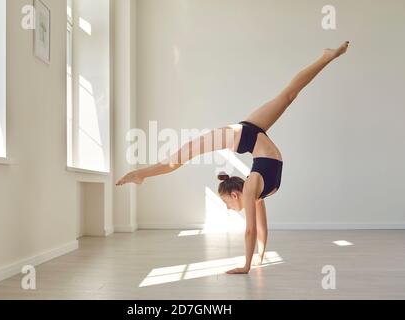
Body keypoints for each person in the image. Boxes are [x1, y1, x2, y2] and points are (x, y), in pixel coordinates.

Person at [116, 41, 350, 274]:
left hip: (240, 136)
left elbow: (251, 230)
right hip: (252, 134)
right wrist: (257, 257)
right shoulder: (256, 192)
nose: (228, 208)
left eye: (227, 203)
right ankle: (326, 57)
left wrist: (246, 265)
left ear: (236, 193)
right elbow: (260, 228)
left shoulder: (252, 189)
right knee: (288, 95)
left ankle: (141, 174)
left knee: (183, 155)